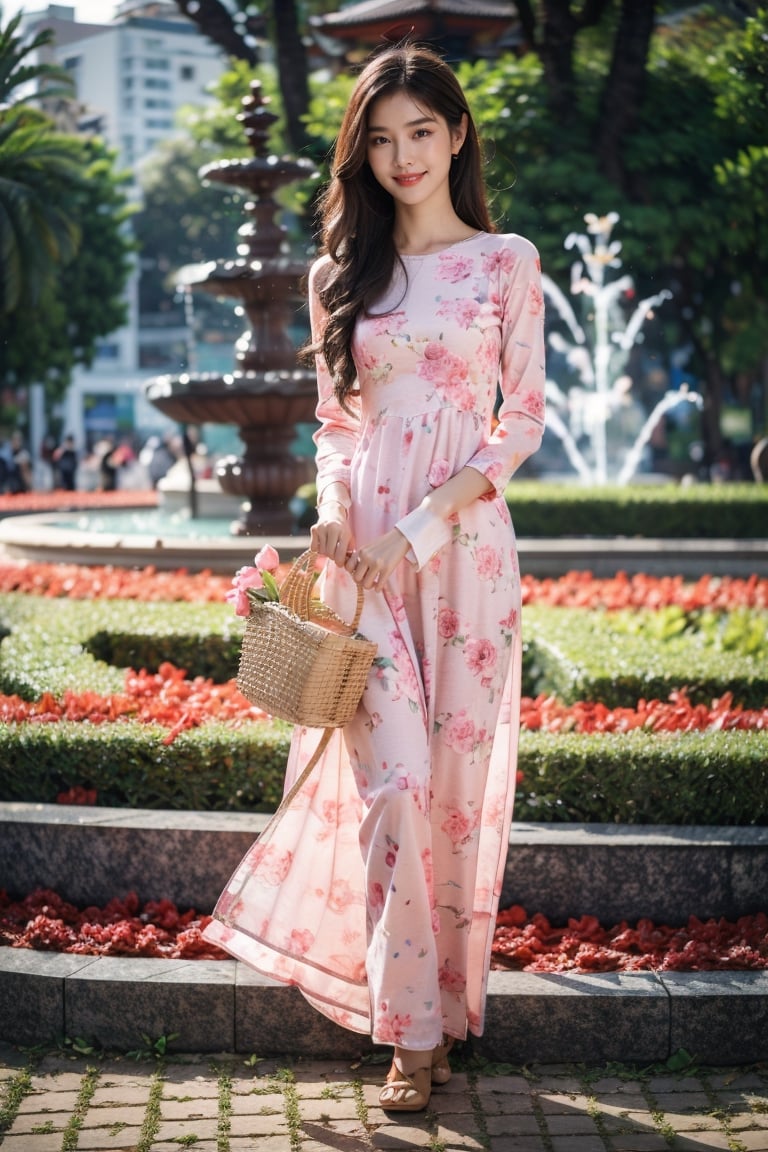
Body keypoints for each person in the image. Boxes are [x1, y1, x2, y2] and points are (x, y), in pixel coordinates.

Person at [204, 44, 546, 1112]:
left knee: (446, 798)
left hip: (465, 562)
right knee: (392, 791)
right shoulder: (337, 276)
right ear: (362, 150)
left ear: (457, 137)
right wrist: (331, 514)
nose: (403, 156)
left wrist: (423, 527)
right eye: (383, 137)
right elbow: (336, 428)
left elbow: (521, 423)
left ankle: (440, 1009)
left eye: (422, 133)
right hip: (364, 569)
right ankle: (408, 1033)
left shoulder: (506, 261)